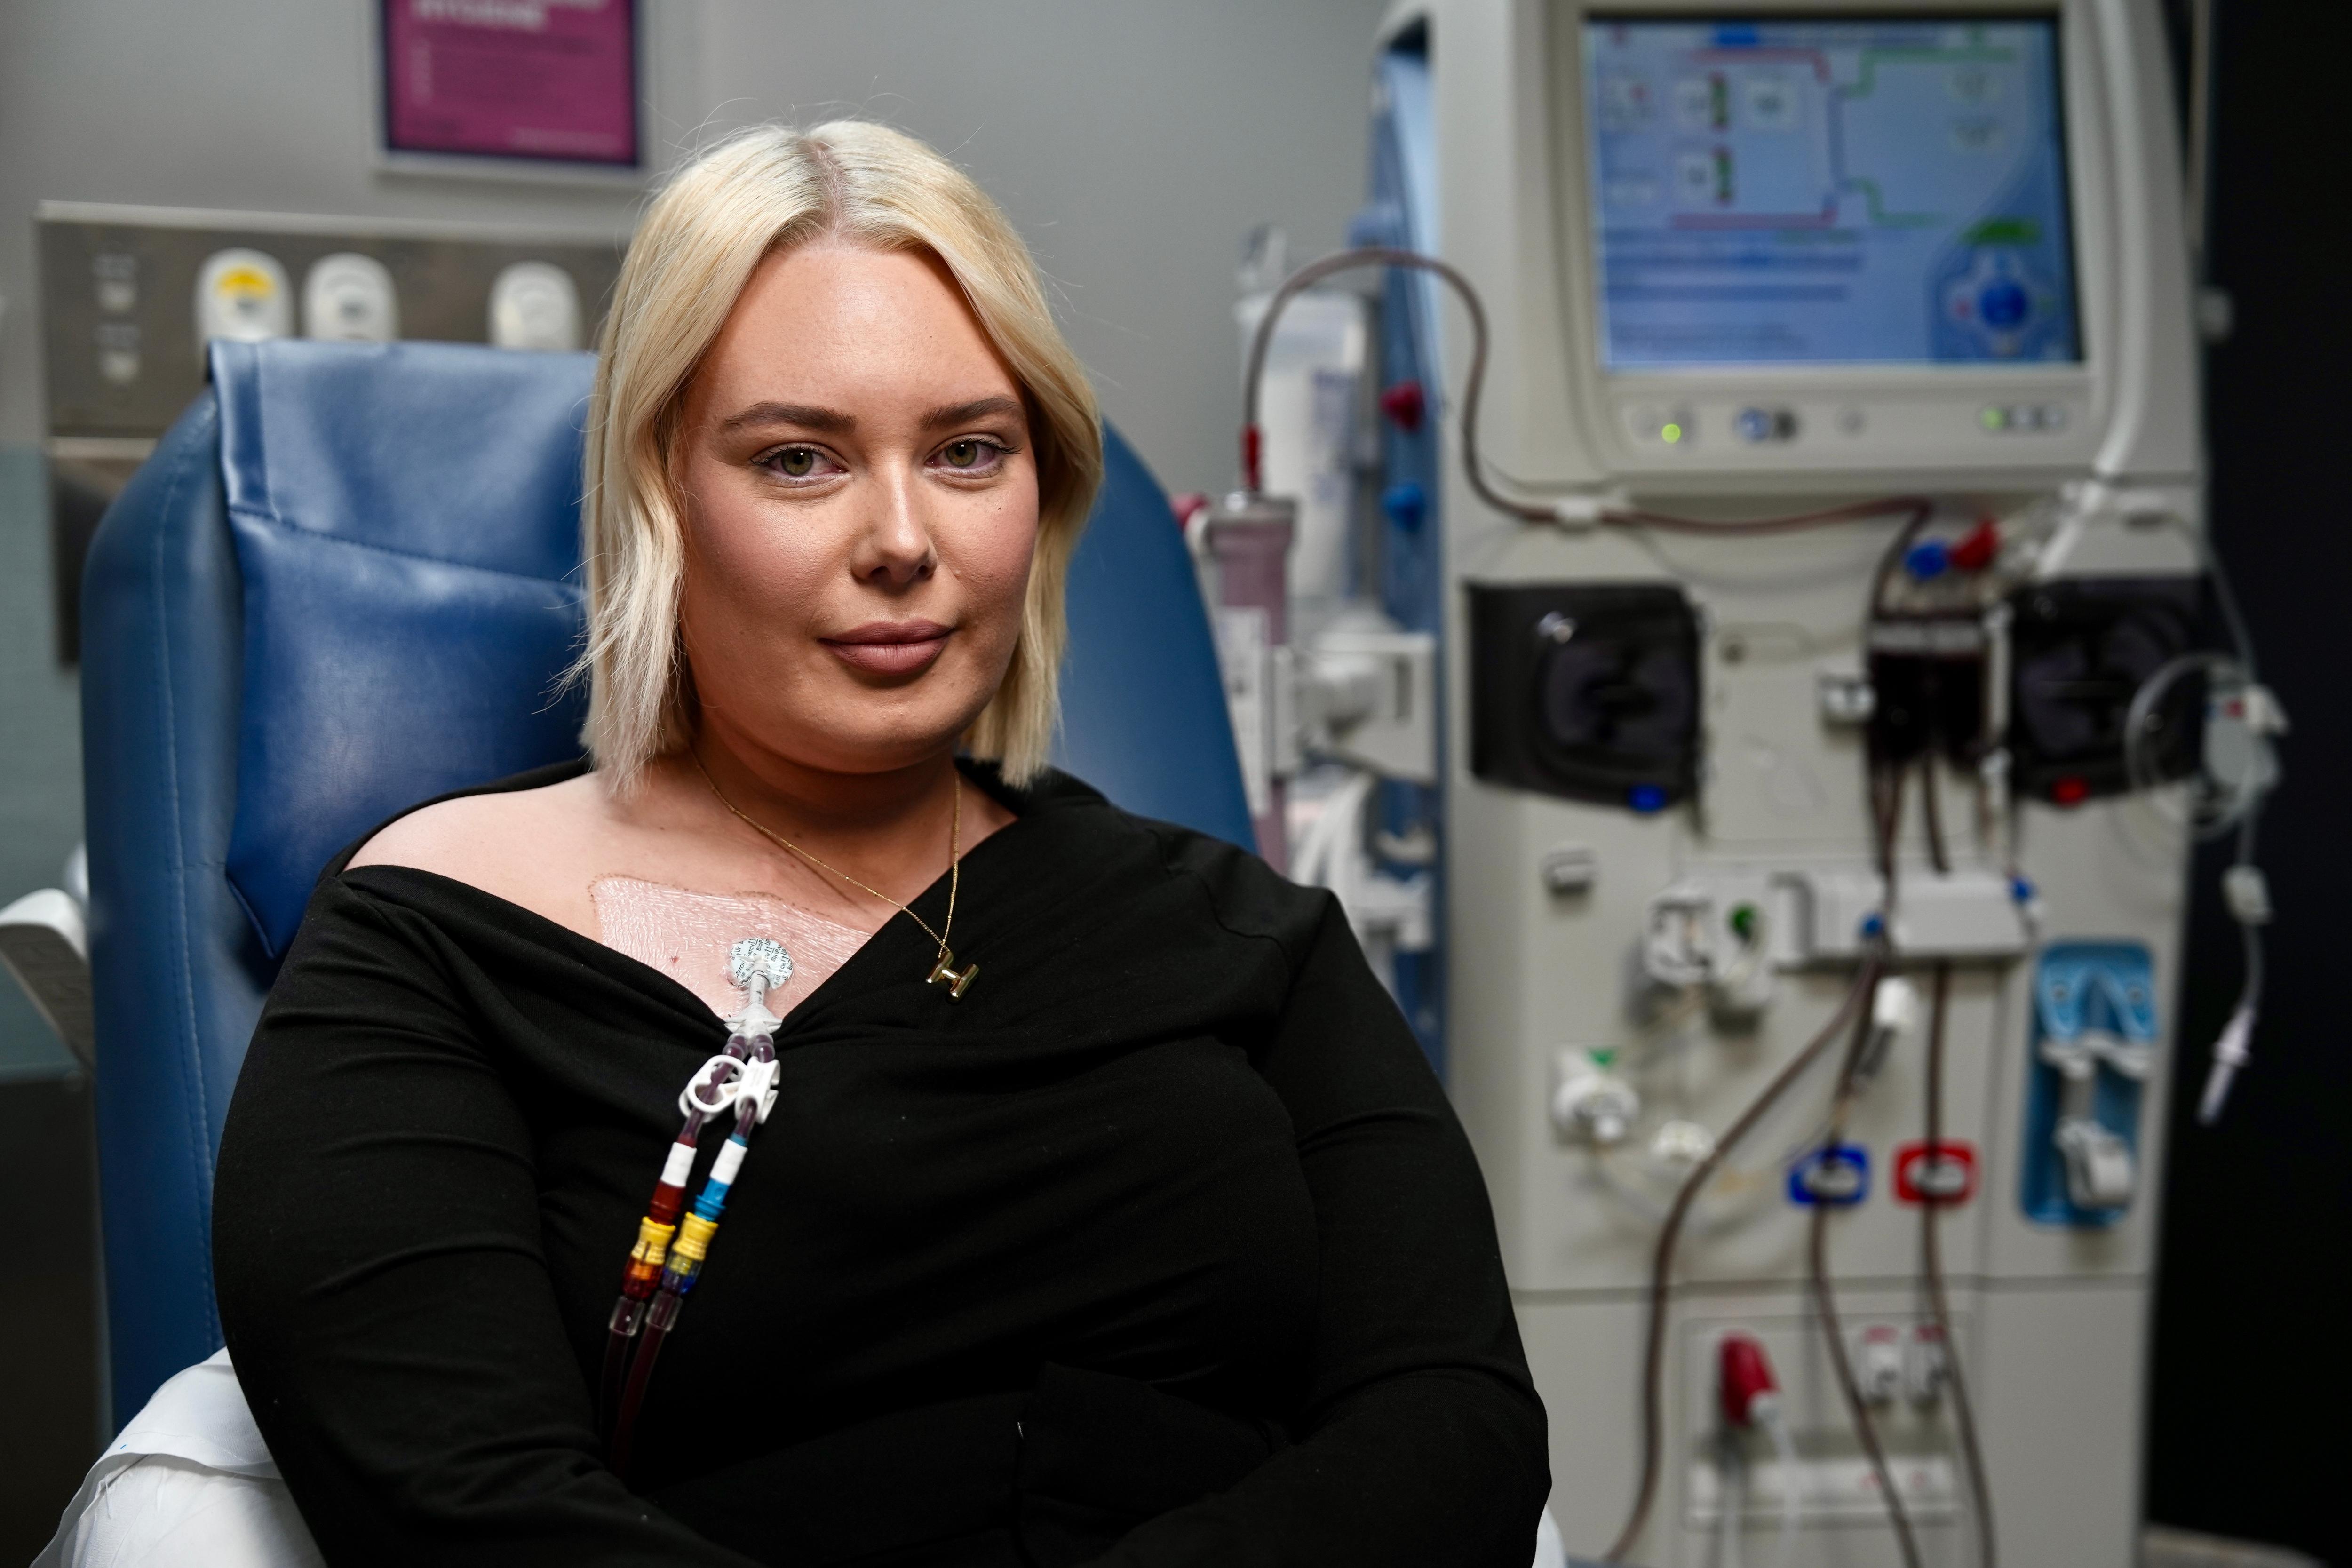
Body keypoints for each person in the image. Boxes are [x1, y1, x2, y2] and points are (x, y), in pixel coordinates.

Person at [211, 120, 1548, 1567]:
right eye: (800, 460)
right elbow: (463, 1505)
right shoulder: (437, 939)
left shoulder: (1242, 936)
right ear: (661, 495)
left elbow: (1453, 1427)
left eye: (970, 450)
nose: (904, 537)